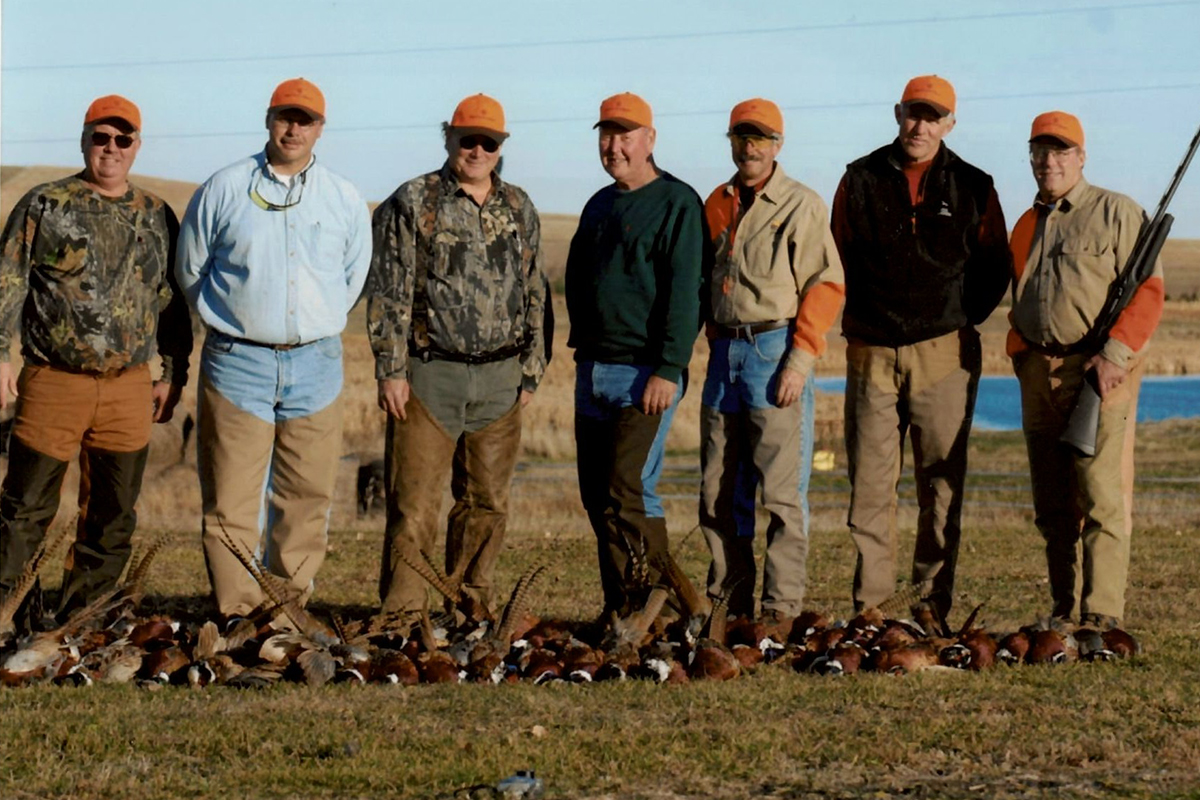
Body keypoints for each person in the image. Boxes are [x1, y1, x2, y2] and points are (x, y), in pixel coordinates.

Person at [176, 78, 371, 623]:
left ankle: (284, 614)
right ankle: (238, 614)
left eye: (305, 120)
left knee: (306, 495)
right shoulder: (224, 188)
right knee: (233, 498)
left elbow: (352, 277)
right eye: (285, 117)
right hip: (238, 361)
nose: (293, 128)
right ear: (268, 119)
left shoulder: (341, 197)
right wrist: (239, 320)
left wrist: (312, 323)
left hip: (315, 364)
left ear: (319, 129)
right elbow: (190, 269)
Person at [0, 94, 191, 626]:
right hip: (54, 381)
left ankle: (85, 620)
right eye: (100, 137)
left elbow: (172, 300)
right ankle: (11, 616)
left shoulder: (156, 215)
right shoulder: (46, 203)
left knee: (111, 515)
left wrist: (173, 373)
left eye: (122, 139)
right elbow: (8, 279)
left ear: (136, 146)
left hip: (129, 386)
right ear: (84, 139)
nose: (110, 148)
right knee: (25, 510)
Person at [831, 75, 1010, 619]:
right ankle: (874, 613)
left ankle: (930, 606)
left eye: (933, 117)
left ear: (950, 124)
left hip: (944, 352)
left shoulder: (975, 186)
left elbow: (995, 266)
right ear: (897, 112)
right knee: (870, 487)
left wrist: (953, 318)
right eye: (914, 113)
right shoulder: (859, 178)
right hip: (870, 350)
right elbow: (836, 258)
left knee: (941, 486)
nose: (921, 125)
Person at [367, 94, 546, 623]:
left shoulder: (519, 207)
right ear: (448, 138)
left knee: (486, 503)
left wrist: (531, 370)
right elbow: (389, 290)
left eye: (488, 142)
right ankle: (403, 614)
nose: (477, 150)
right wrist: (390, 370)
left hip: (501, 377)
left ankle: (470, 605)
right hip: (429, 375)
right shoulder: (414, 200)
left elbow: (535, 291)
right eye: (467, 139)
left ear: (500, 148)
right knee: (414, 505)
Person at [1008, 111, 1163, 631]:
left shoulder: (1117, 213)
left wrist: (1114, 357)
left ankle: (1101, 617)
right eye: (1040, 151)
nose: (1048, 161)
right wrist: (1022, 355)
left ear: (1081, 157)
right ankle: (1061, 611)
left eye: (1060, 151)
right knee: (1052, 506)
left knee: (1101, 500)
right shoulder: (1026, 223)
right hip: (1038, 371)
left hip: (1098, 373)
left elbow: (1147, 293)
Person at [699, 99, 845, 621]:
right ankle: (727, 603)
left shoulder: (801, 204)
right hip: (725, 353)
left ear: (778, 145)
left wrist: (799, 361)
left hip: (774, 349)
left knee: (781, 494)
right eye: (741, 136)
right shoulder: (717, 202)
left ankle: (780, 611)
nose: (750, 146)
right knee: (718, 487)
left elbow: (826, 285)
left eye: (760, 137)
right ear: (731, 141)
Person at [565, 92, 704, 618]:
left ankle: (675, 604)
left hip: (643, 372)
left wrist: (667, 369)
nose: (614, 146)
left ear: (650, 139)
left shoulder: (676, 204)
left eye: (625, 135)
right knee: (598, 497)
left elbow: (684, 292)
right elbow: (579, 277)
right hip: (593, 367)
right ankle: (622, 606)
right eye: (606, 134)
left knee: (628, 488)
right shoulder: (600, 204)